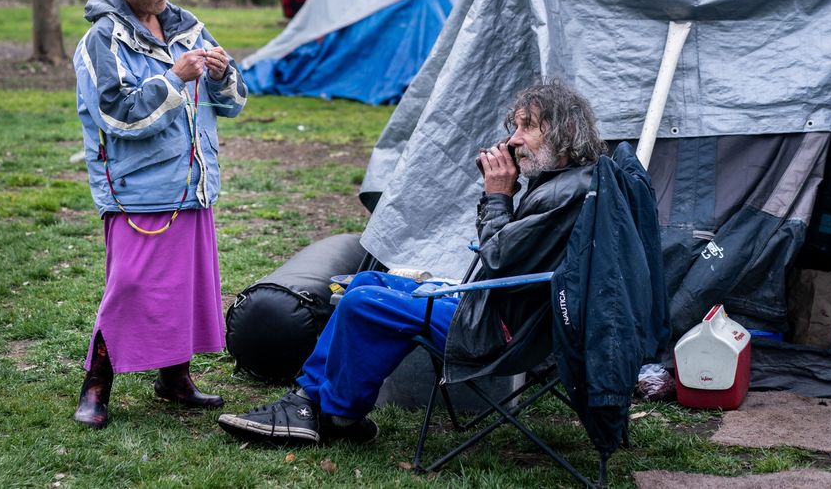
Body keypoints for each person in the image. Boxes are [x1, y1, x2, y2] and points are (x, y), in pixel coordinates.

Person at [217, 80, 605, 445]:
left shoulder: (562, 195)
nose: (514, 139)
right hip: (506, 313)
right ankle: (322, 407)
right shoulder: (567, 182)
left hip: (499, 330)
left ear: (566, 133)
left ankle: (327, 409)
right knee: (367, 282)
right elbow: (511, 255)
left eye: (528, 126)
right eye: (515, 126)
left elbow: (499, 258)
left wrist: (498, 195)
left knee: (365, 303)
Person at [71, 0, 248, 429]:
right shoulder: (101, 40)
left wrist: (221, 74)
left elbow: (233, 103)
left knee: (184, 287)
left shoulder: (189, 27)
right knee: (128, 287)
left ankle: (175, 379)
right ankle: (96, 385)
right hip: (137, 190)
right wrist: (175, 78)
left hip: (191, 184)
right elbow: (118, 115)